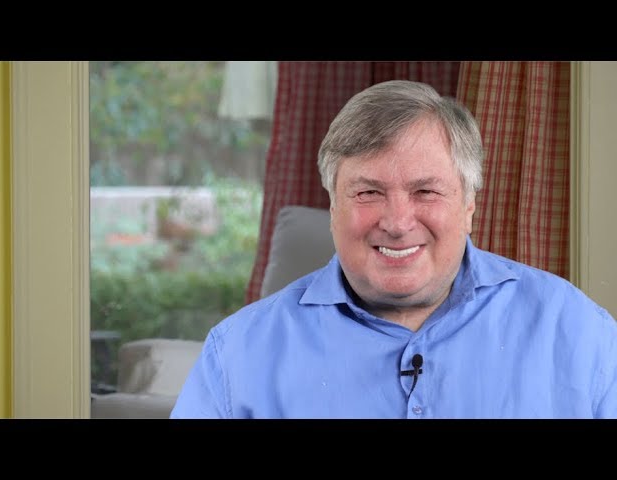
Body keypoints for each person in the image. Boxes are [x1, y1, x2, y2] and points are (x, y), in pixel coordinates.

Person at [171, 80, 617, 419]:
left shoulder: (579, 333)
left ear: (468, 206)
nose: (398, 223)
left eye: (426, 191)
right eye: (368, 192)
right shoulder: (236, 356)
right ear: (333, 207)